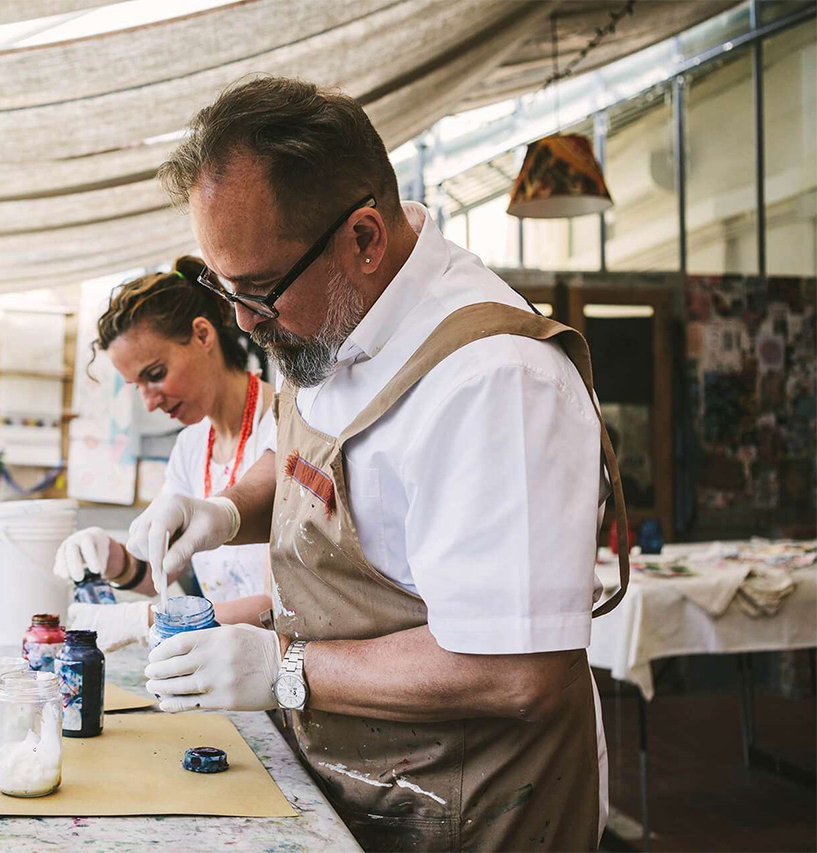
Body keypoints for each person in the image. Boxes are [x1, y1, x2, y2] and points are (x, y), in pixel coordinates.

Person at [129, 77, 629, 851]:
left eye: (257, 292)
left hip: (475, 810)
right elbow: (302, 451)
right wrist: (223, 511)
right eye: (222, 289)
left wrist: (283, 667)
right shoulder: (325, 313)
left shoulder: (495, 381)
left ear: (363, 237)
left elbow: (517, 670)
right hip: (362, 784)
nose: (241, 323)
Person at [53, 256, 276, 651]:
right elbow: (164, 567)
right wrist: (112, 559)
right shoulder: (192, 446)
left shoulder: (283, 424)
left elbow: (279, 607)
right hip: (217, 668)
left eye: (155, 375)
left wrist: (148, 620)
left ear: (203, 335)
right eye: (137, 385)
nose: (150, 402)